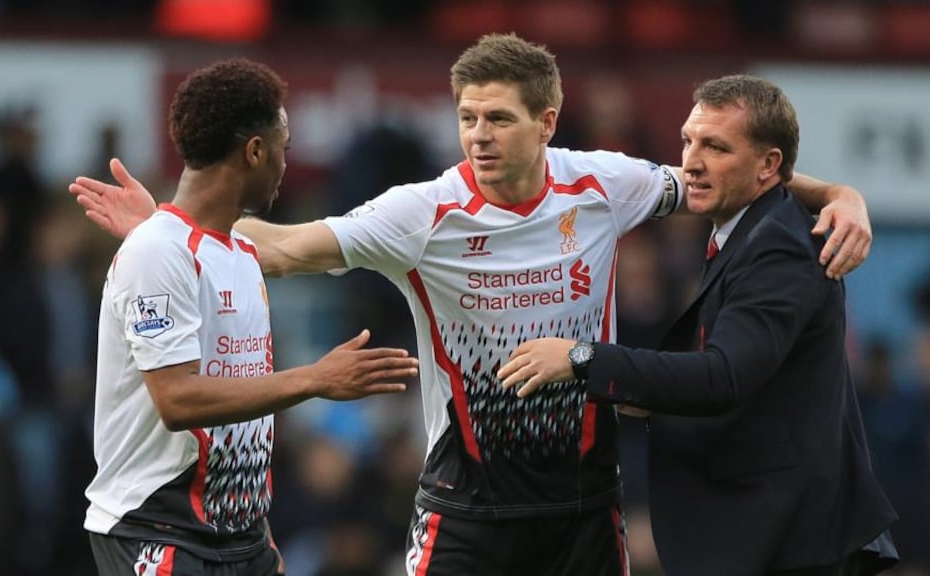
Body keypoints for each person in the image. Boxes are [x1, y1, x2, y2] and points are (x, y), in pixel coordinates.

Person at [71, 36, 874, 576]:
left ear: (547, 123)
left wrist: (839, 192)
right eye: (466, 119)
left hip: (584, 508)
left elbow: (718, 181)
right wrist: (174, 231)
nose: (478, 137)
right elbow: (282, 248)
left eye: (498, 119)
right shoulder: (422, 212)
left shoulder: (605, 184)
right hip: (466, 512)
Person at [499, 75, 898, 576]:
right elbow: (752, 379)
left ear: (768, 165)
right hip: (776, 534)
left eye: (715, 146)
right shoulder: (751, 227)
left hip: (790, 541)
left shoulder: (777, 248)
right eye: (688, 140)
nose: (692, 161)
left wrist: (581, 358)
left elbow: (722, 377)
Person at [80, 58, 419, 576]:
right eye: (283, 147)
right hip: (156, 531)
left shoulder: (237, 250)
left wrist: (261, 540)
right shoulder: (156, 253)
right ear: (255, 152)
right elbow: (178, 399)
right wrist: (314, 379)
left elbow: (243, 412)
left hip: (238, 536)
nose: (287, 162)